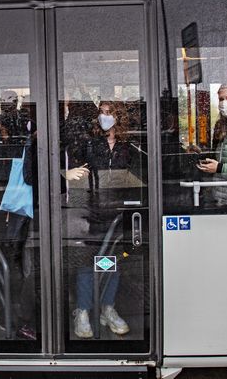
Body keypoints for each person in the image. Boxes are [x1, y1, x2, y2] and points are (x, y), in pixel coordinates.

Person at [72, 100, 131, 338]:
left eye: (110, 113)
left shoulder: (128, 146)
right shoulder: (89, 143)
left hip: (117, 211)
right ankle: (83, 310)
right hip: (91, 210)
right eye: (102, 113)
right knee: (88, 261)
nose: (105, 117)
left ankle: (107, 307)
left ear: (119, 118)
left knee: (111, 261)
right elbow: (77, 172)